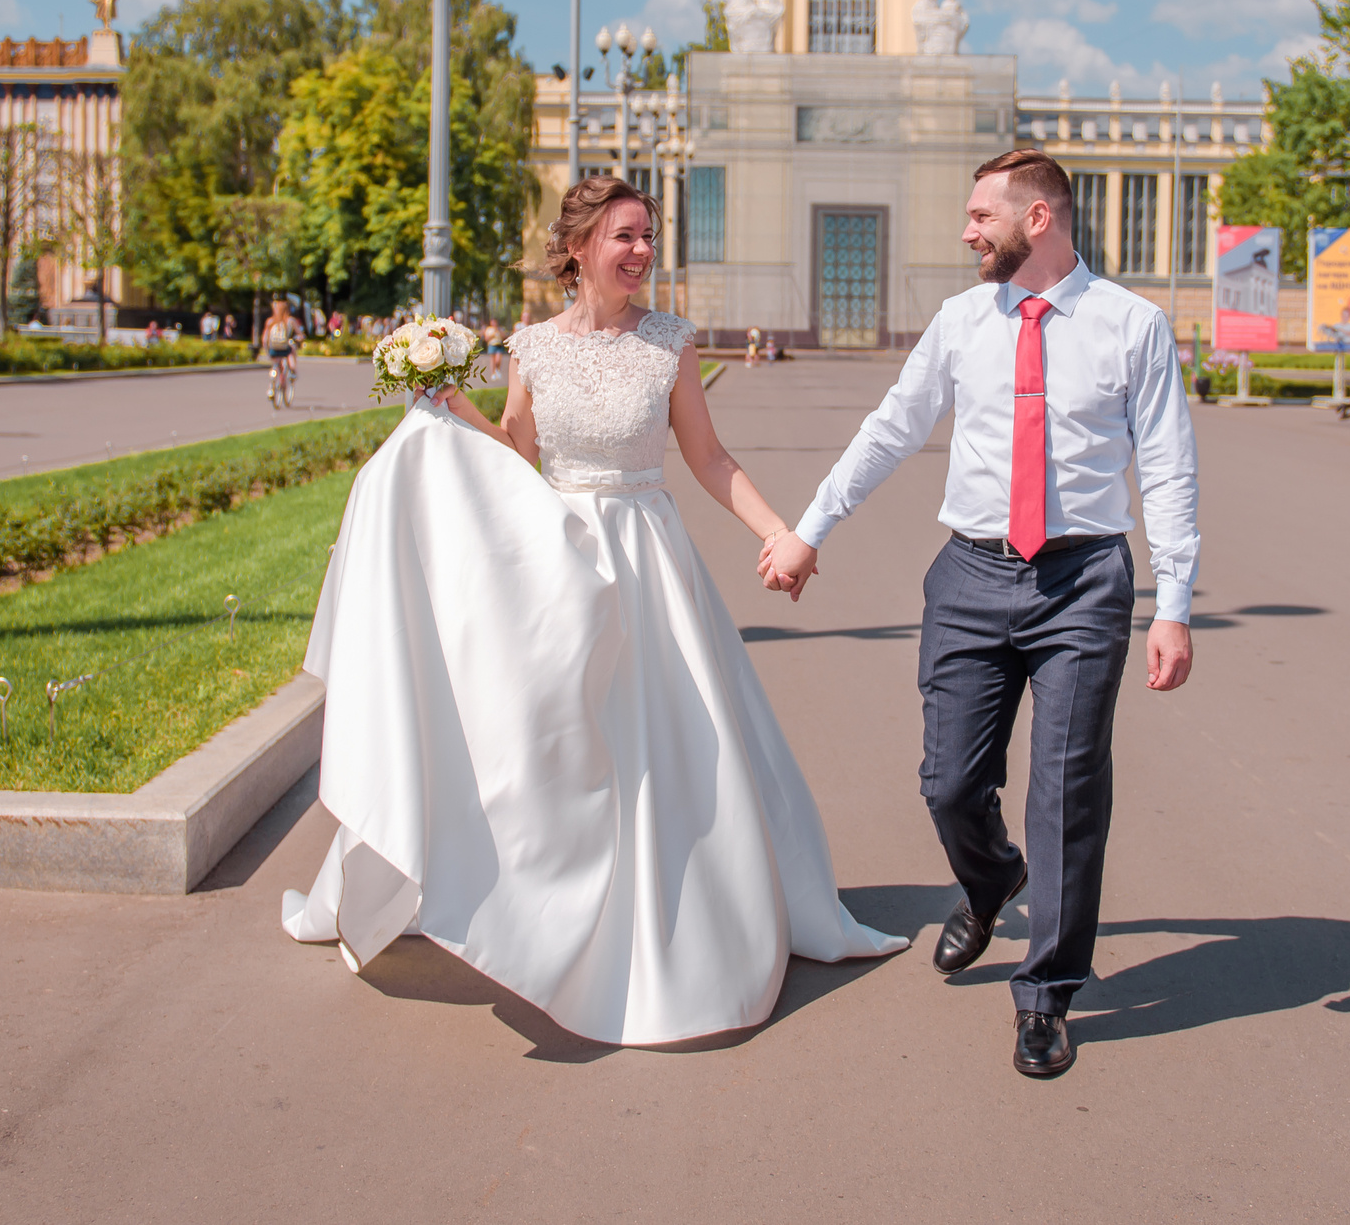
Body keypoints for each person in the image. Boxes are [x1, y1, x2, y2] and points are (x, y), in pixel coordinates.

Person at [282, 175, 903, 1044]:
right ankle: (531, 901)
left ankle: (672, 928)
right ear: (578, 248)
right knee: (548, 741)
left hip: (649, 556)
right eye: (626, 235)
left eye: (649, 235)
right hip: (556, 562)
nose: (644, 250)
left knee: (664, 742)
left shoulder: (671, 344)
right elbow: (514, 454)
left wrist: (779, 532)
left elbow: (710, 457)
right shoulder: (531, 348)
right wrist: (446, 402)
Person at [760, 149, 1199, 1080]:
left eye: (979, 215)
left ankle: (1046, 994)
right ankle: (992, 876)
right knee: (949, 784)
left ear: (1037, 218)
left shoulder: (1132, 326)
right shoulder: (963, 320)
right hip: (968, 576)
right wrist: (810, 530)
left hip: (1083, 584)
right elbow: (893, 426)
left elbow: (1165, 468)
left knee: (1066, 791)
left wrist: (1175, 604)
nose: (966, 231)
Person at [260, 297, 303, 408]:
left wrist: (266, 350)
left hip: (273, 349)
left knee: (275, 365)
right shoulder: (290, 320)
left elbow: (264, 338)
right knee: (291, 349)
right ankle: (292, 371)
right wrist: (299, 338)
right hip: (284, 349)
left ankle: (271, 387)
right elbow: (300, 335)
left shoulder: (270, 321)